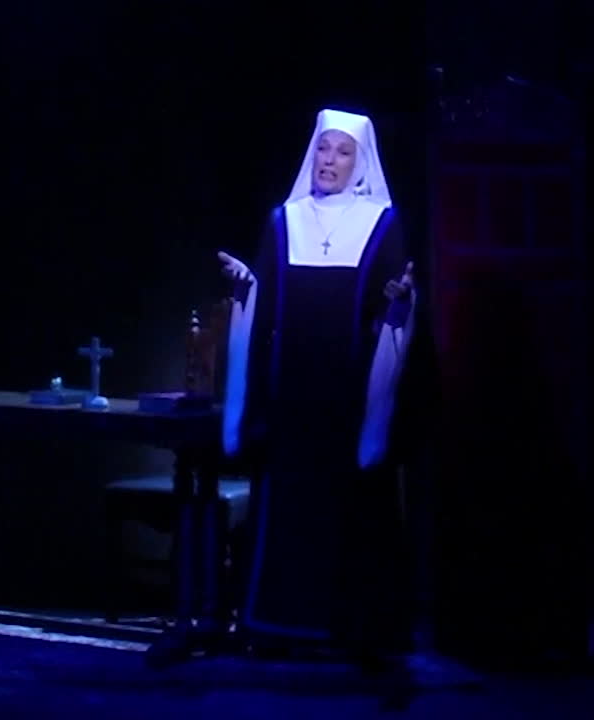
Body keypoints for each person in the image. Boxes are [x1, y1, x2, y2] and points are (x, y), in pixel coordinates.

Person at [218, 108, 418, 669]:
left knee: (353, 515)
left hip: (348, 399)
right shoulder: (284, 220)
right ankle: (278, 626)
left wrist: (402, 299)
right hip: (291, 400)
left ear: (360, 163)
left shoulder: (382, 223)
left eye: (343, 152)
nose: (330, 161)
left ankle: (355, 632)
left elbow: (393, 306)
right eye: (324, 149)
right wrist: (246, 285)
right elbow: (265, 300)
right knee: (289, 514)